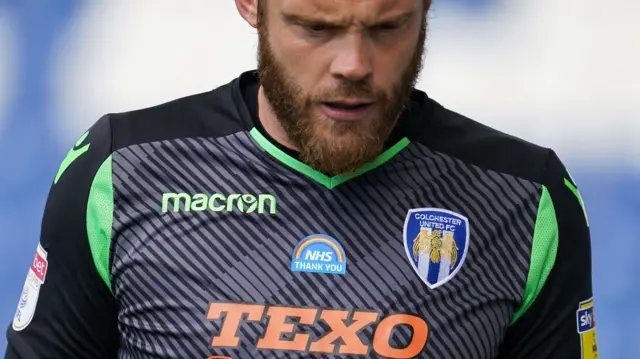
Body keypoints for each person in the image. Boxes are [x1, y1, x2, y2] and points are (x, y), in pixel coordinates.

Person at [4, 0, 599, 358]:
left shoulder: (526, 199)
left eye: (388, 27)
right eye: (316, 27)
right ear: (251, 4)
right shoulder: (121, 170)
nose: (354, 65)